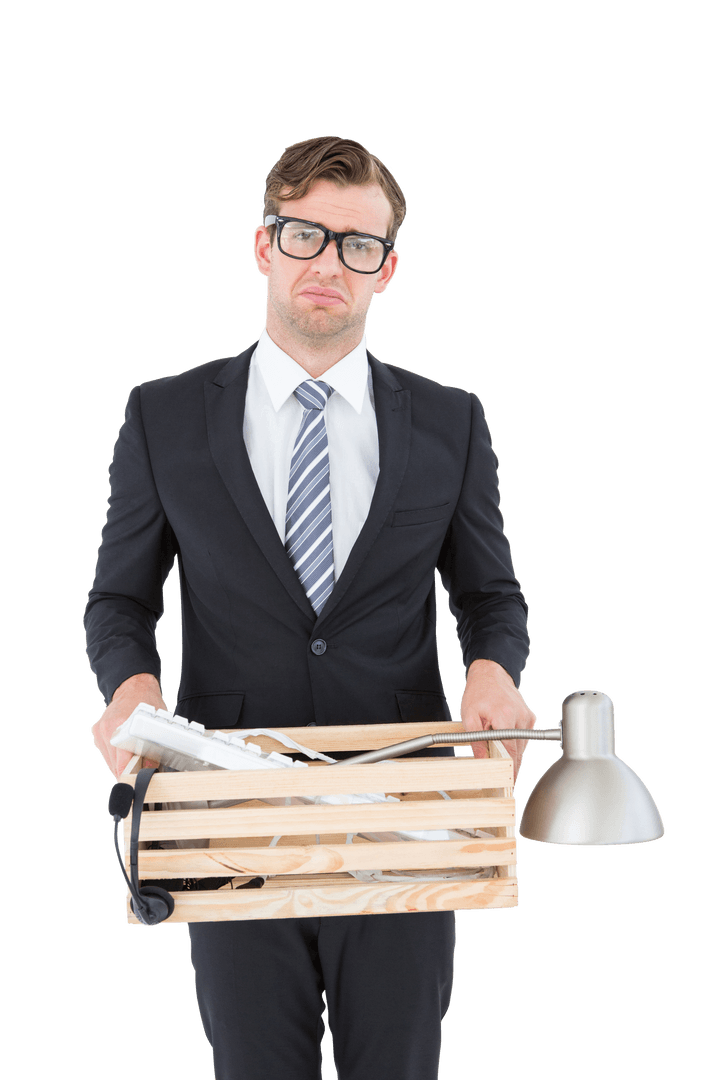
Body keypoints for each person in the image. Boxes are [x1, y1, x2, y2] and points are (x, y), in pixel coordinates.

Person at [85, 135, 536, 1080]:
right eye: (306, 235)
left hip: (404, 808)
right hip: (228, 811)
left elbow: (490, 593)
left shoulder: (452, 422)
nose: (330, 261)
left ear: (387, 270)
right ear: (264, 246)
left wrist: (494, 668)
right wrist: (130, 686)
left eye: (357, 244)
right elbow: (120, 597)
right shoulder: (163, 416)